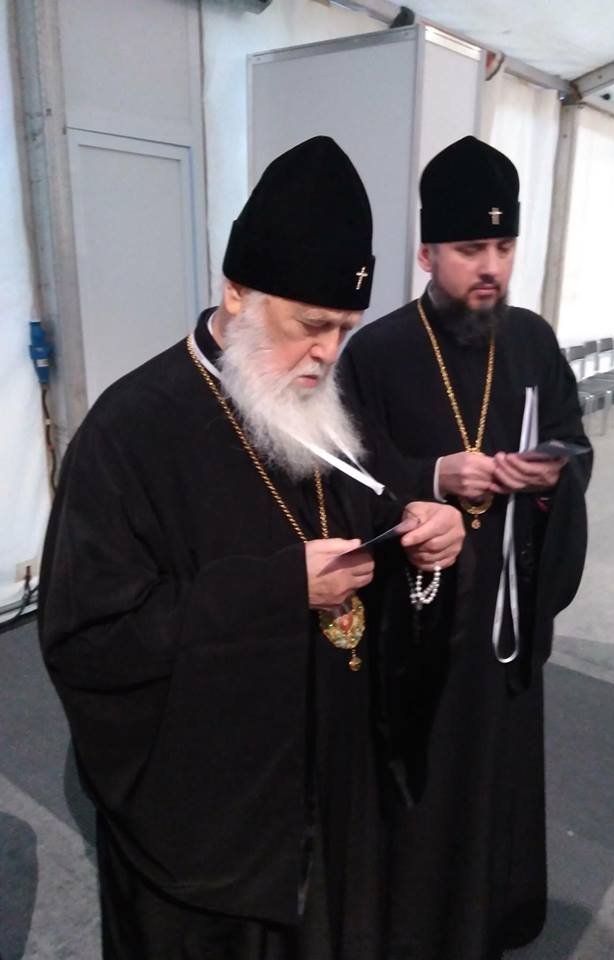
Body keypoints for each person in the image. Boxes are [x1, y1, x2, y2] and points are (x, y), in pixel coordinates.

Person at [38, 136, 465, 960]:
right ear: (236, 292)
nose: (327, 353)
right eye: (310, 325)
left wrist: (423, 534)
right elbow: (88, 639)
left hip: (326, 798)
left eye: (345, 329)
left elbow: (372, 503)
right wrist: (276, 593)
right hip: (210, 837)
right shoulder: (131, 431)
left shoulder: (319, 405)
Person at [338, 135, 592, 960]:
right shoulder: (377, 353)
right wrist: (432, 475)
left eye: (504, 247)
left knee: (495, 777)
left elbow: (572, 441)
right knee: (424, 780)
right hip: (420, 623)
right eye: (471, 249)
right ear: (427, 253)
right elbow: (344, 476)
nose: (491, 268)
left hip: (507, 613)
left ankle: (491, 918)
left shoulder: (533, 341)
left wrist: (548, 473)